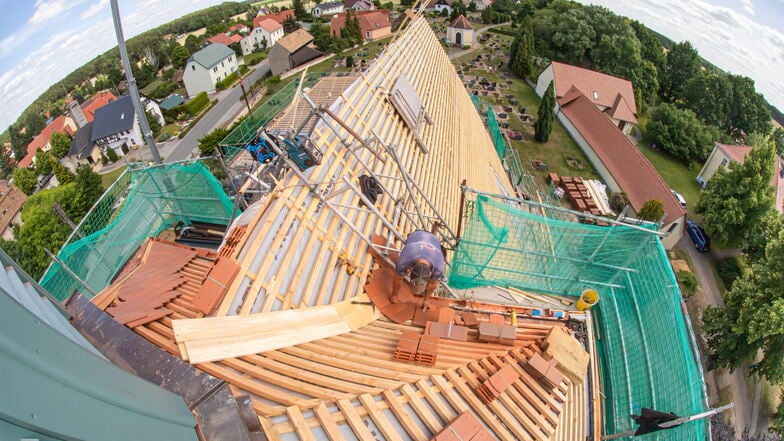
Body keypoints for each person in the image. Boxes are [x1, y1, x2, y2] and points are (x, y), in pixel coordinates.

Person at [395, 230, 446, 295]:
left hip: (433, 239)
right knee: (399, 271)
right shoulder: (403, 261)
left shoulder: (439, 268)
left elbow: (432, 284)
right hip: (417, 235)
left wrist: (426, 301)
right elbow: (398, 279)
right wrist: (394, 295)